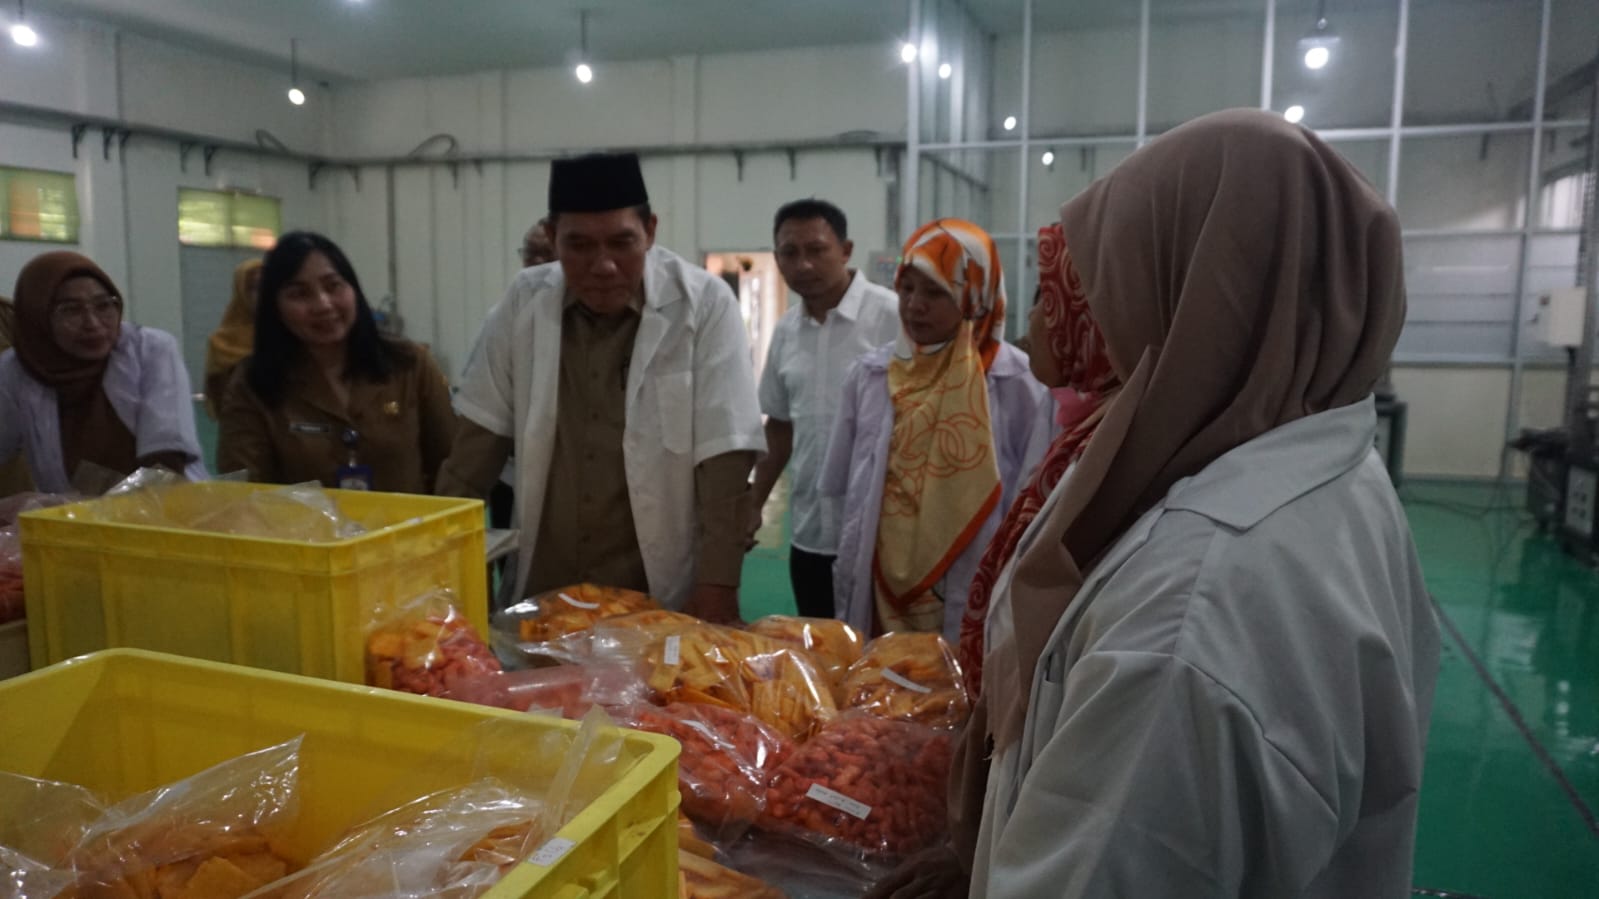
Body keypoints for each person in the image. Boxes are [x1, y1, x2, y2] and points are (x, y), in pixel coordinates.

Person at [871, 110, 1440, 899]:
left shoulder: (1188, 616)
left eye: (1110, 279)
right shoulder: (1326, 468)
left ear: (1193, 296)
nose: (1083, 314)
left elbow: (1095, 868)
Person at [437, 152, 765, 622]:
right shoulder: (523, 304)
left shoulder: (703, 305)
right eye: (579, 245)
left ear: (650, 230)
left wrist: (717, 588)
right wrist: (453, 577)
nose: (604, 265)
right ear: (551, 236)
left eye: (621, 242)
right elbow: (472, 457)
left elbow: (725, 460)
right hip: (544, 590)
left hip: (655, 593)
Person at [819, 218, 1049, 643]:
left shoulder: (1019, 383)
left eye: (935, 292)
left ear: (974, 295)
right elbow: (842, 485)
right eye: (906, 288)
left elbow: (1033, 499)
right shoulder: (872, 375)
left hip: (969, 584)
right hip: (880, 586)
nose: (914, 305)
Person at [954, 221, 1119, 697]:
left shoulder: (1111, 444)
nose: (1030, 318)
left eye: (1047, 302)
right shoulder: (1077, 415)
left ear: (1090, 320)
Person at [748, 199, 899, 619]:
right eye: (790, 253)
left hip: (882, 535)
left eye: (816, 250)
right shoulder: (786, 331)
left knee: (883, 653)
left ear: (845, 250)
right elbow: (780, 427)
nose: (803, 265)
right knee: (818, 648)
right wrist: (754, 503)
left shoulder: (892, 317)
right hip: (810, 534)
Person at [216, 231, 456, 493]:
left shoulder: (409, 364)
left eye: (333, 286)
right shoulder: (253, 383)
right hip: (299, 522)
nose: (323, 304)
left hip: (414, 521)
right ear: (275, 307)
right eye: (299, 294)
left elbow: (452, 468)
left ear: (353, 289)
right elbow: (241, 491)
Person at [0, 252, 206, 494]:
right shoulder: (17, 370)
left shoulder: (150, 350)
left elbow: (166, 456)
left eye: (104, 306)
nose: (93, 323)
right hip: (69, 514)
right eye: (71, 310)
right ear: (38, 316)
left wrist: (112, 510)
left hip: (163, 504)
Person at [203, 258, 263, 419]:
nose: (263, 294)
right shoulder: (223, 342)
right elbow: (218, 396)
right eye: (254, 287)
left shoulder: (293, 334)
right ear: (241, 292)